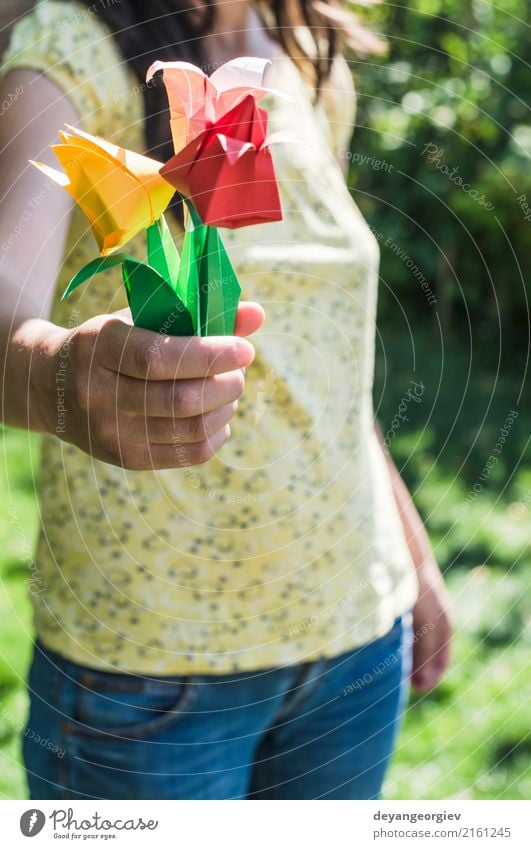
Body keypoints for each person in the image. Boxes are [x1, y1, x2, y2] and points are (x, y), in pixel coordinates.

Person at [0, 0, 451, 800]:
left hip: (353, 638)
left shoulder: (309, 60)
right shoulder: (74, 46)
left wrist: (409, 552)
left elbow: (324, 353)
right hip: (151, 671)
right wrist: (62, 379)